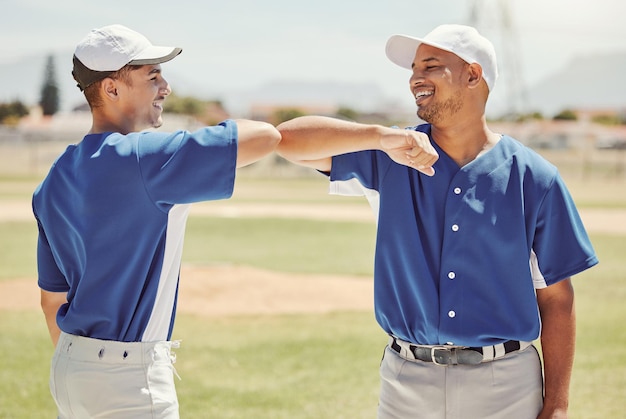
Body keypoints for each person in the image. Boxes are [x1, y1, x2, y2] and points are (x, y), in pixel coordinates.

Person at [276, 24, 598, 419]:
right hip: (406, 382)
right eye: (413, 68)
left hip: (506, 388)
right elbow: (285, 141)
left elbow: (556, 299)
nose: (415, 78)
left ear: (472, 76)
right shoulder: (391, 154)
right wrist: (380, 137)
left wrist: (558, 405)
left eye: (431, 66)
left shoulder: (534, 177)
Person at [33, 24, 280, 418]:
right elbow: (266, 136)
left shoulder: (56, 175)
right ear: (112, 89)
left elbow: (51, 302)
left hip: (70, 367)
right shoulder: (145, 157)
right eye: (152, 76)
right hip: (127, 377)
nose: (165, 87)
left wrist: (86, 368)